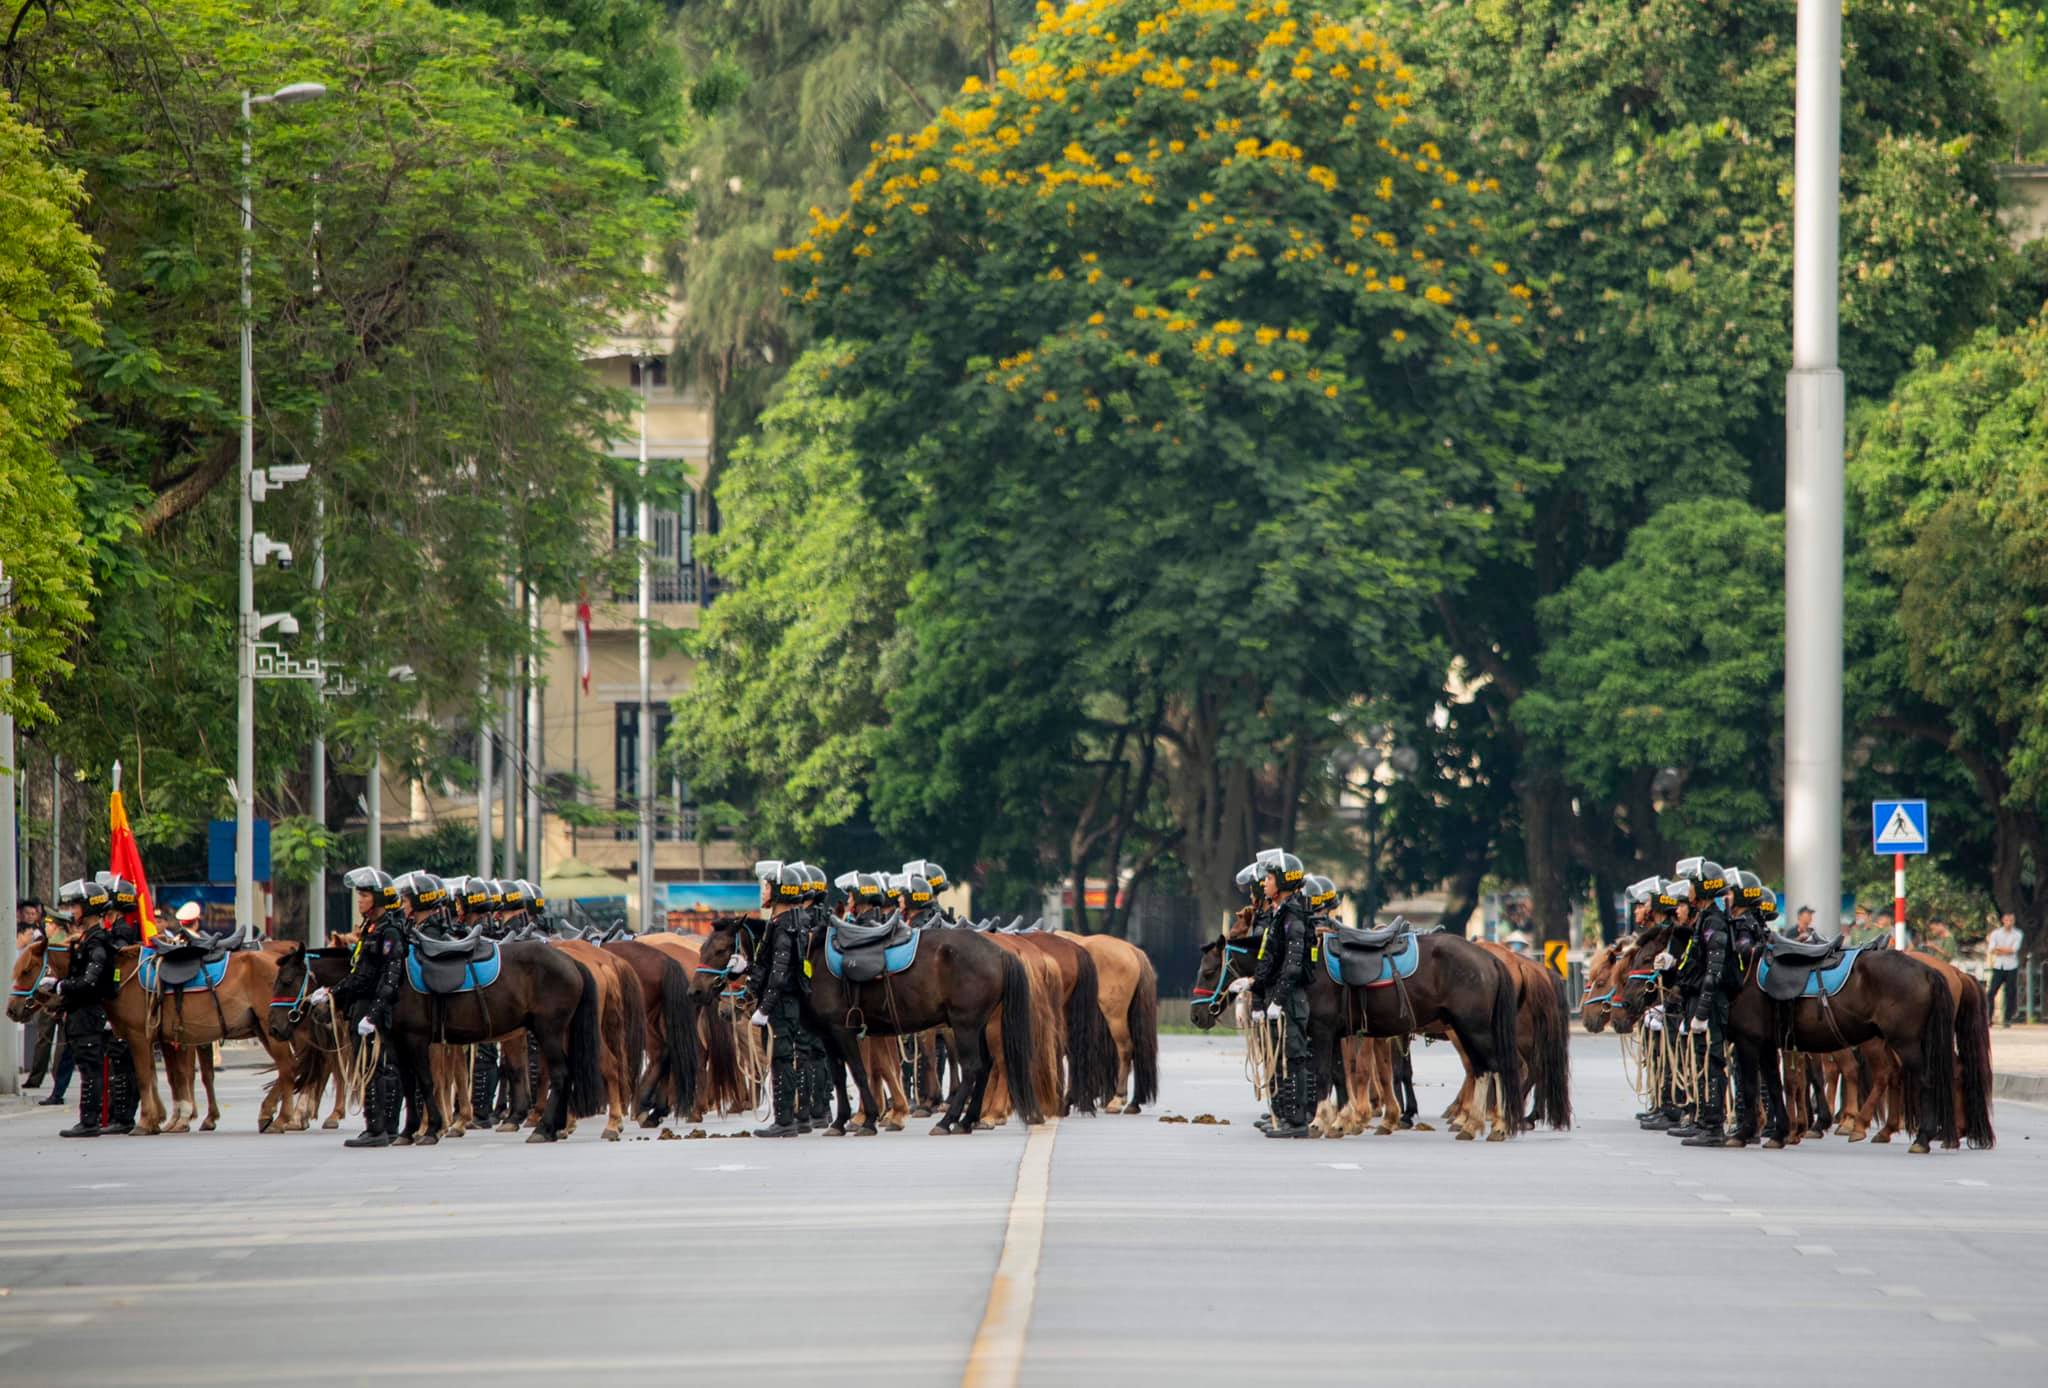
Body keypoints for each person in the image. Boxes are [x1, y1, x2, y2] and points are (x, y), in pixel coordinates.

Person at [327, 866, 409, 1148]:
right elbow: (359, 973)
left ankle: (378, 1129)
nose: (359, 900)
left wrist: (373, 1015)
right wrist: (331, 992)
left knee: (375, 1067)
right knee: (375, 1068)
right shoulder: (371, 929)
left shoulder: (389, 932)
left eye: (364, 895)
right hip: (364, 1005)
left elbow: (389, 976)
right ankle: (383, 1127)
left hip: (376, 1008)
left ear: (378, 899)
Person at [44, 879, 124, 1137]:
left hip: (89, 1013)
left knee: (90, 1069)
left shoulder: (97, 942)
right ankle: (89, 1120)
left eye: (76, 906)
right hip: (82, 1013)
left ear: (90, 909)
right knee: (87, 1067)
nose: (73, 911)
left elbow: (90, 982)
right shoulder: (89, 939)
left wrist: (60, 986)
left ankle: (89, 1121)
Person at [1247, 849, 1314, 1139]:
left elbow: (1293, 964)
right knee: (1277, 1057)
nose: (1264, 882)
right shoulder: (1278, 913)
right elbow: (1267, 958)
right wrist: (1259, 994)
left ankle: (1297, 1119)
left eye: (1270, 878)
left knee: (1293, 1057)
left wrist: (1276, 1000)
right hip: (1277, 996)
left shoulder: (1293, 915)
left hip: (1290, 999)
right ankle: (1283, 1113)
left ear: (1284, 882)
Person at [749, 861, 810, 1137]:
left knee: (782, 1058)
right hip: (784, 1002)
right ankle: (788, 1118)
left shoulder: (785, 926)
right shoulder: (782, 922)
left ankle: (785, 1121)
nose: (763, 892)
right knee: (782, 1058)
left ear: (780, 892)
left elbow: (780, 972)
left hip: (783, 1004)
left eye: (767, 886)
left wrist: (764, 1008)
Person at [1986, 912, 2023, 1027]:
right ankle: (1988, 1018)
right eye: (2007, 920)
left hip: (2011, 966)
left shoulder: (2017, 934)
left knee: (2010, 993)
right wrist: (2005, 950)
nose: (2009, 923)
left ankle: (2007, 1019)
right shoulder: (1996, 934)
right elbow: (1991, 949)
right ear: (2003, 920)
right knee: (1991, 992)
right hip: (1999, 966)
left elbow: (2014, 950)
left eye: (2011, 920)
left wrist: (1999, 949)